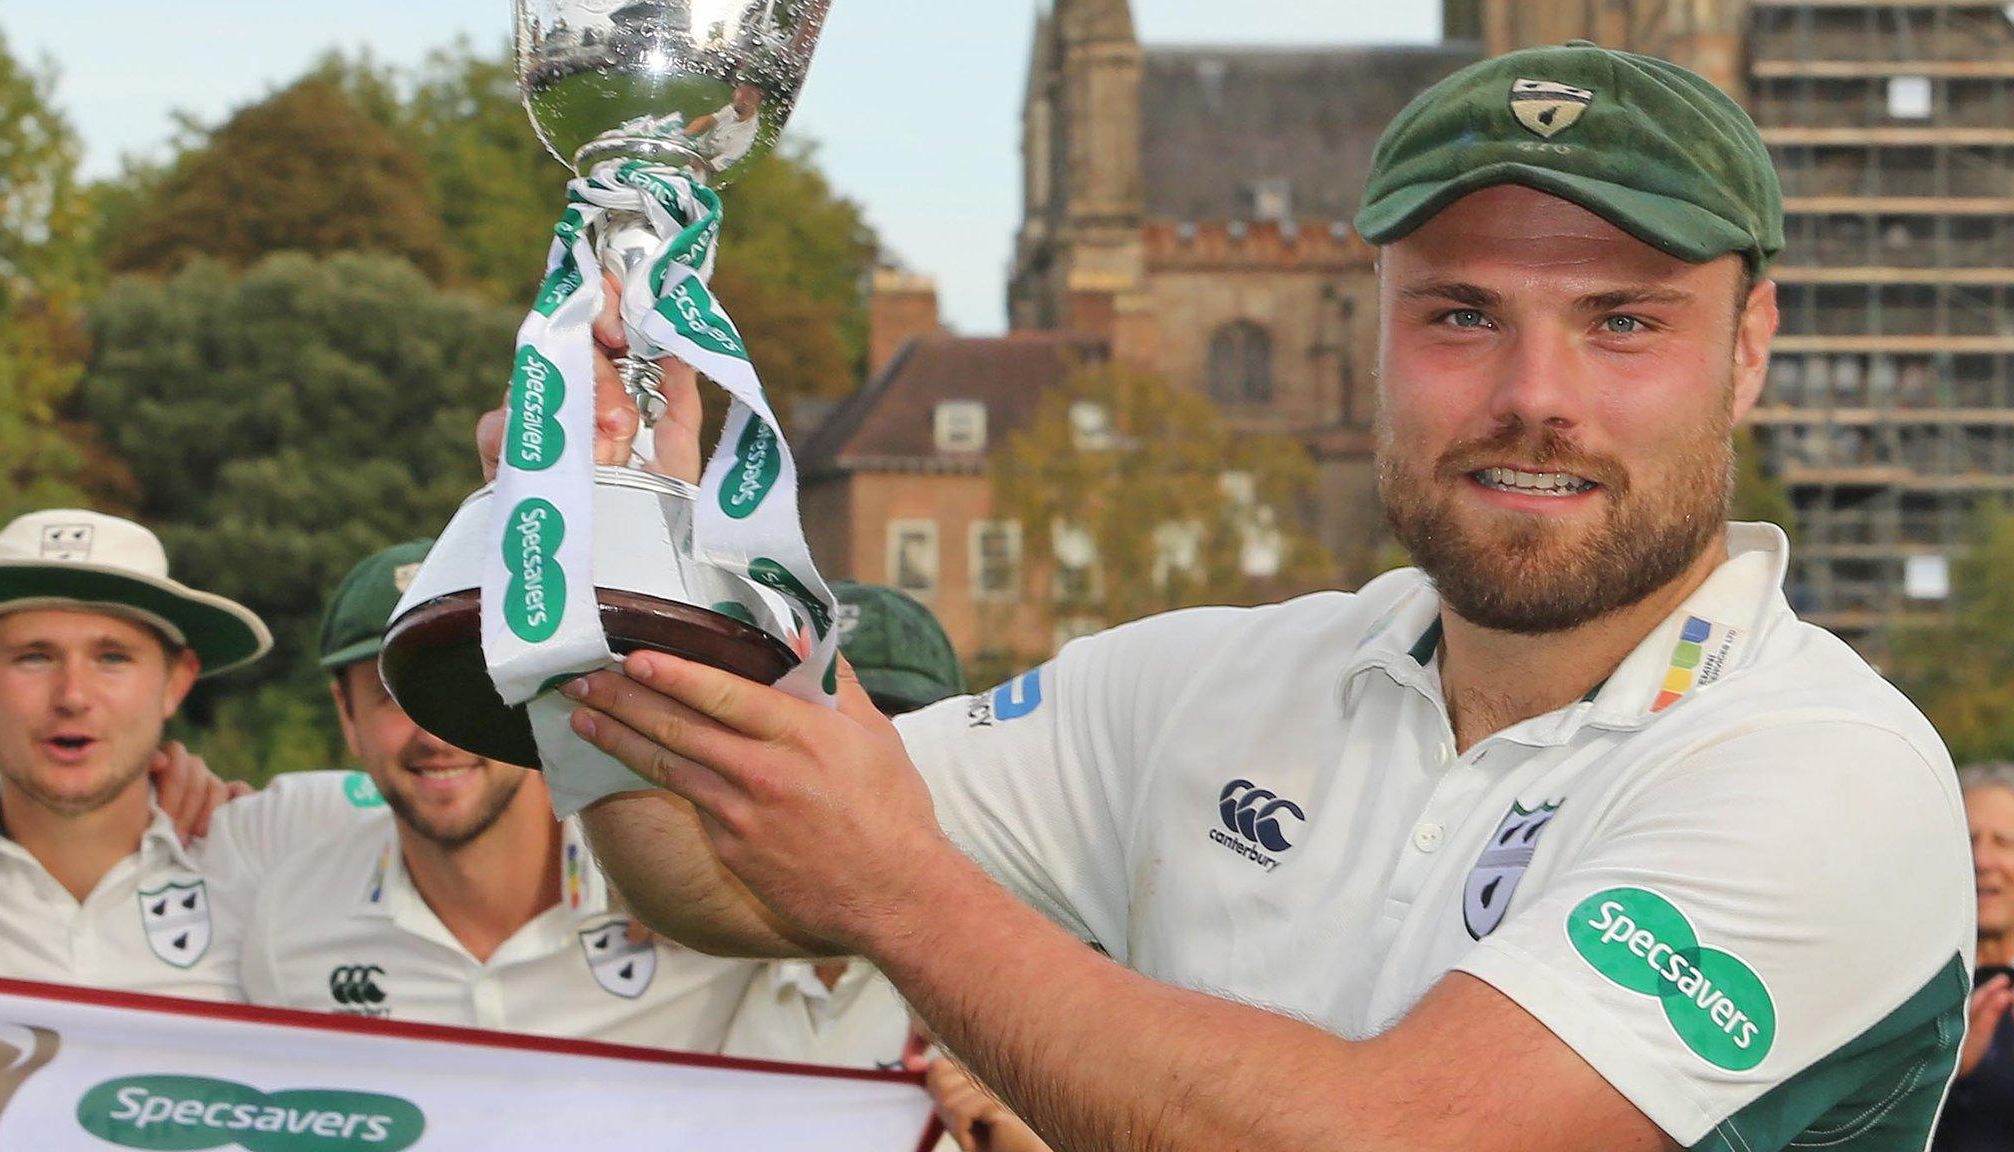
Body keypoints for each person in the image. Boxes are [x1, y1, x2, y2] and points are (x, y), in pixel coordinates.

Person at [513, 41, 1978, 1152]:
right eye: (1462, 315)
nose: (1538, 399)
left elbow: (1395, 1141)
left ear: (1747, 348)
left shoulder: (1825, 770)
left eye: (1625, 324)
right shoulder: (1202, 688)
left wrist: (895, 887)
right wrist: (616, 547)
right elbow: (711, 860)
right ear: (1375, 329)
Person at [239, 541, 761, 1050]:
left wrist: (678, 898)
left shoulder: (689, 891)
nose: (436, 735)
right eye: (394, 697)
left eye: (471, 686)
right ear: (345, 714)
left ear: (541, 689)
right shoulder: (288, 925)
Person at [0, 509, 369, 1000]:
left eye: (112, 658)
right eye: (34, 657)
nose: (72, 695)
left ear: (176, 682)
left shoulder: (269, 848)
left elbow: (458, 805)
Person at [720, 580, 966, 1070]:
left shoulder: (998, 980)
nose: (850, 765)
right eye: (816, 724)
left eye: (896, 727)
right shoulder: (708, 969)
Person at [1934, 763, 2014, 1150]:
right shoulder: (1911, 991)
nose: (1982, 861)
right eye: (1968, 841)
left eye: (2004, 842)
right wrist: (1941, 1072)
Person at [684, 80, 764, 173]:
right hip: (696, 147)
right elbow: (709, 119)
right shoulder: (735, 108)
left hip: (705, 163)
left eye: (747, 96)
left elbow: (715, 165)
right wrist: (686, 133)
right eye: (739, 92)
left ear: (755, 102)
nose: (738, 97)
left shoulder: (745, 136)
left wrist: (696, 163)